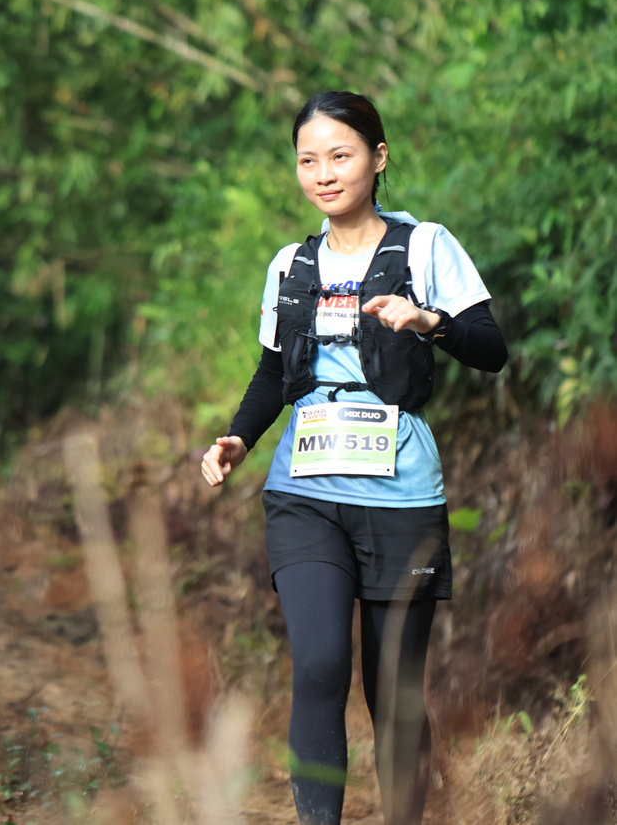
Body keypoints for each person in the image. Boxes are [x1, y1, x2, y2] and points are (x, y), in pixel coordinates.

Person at [201, 91, 507, 825]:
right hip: (304, 492)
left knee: (393, 689)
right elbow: (273, 371)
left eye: (340, 155)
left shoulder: (425, 246)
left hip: (401, 496)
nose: (324, 174)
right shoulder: (290, 264)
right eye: (308, 160)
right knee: (318, 667)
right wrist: (239, 437)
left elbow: (492, 348)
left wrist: (428, 320)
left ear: (378, 157)